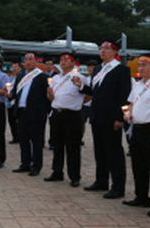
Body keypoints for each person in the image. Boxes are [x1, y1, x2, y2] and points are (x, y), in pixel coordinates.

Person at [73, 40, 131, 199]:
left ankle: (118, 186)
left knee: (114, 152)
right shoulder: (99, 68)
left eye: (106, 49)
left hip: (112, 117)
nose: (102, 51)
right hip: (97, 115)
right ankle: (101, 180)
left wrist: (120, 118)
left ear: (114, 52)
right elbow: (94, 91)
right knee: (100, 150)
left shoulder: (121, 70)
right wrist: (80, 87)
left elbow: (124, 95)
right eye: (101, 48)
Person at [122, 53, 150, 216]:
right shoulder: (138, 84)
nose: (141, 68)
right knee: (138, 165)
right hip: (137, 128)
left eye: (144, 65)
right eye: (139, 65)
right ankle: (141, 196)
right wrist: (127, 113)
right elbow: (130, 103)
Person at [45, 53, 86, 187]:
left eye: (66, 60)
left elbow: (88, 95)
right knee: (57, 145)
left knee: (72, 146)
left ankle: (74, 176)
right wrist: (50, 95)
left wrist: (77, 103)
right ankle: (57, 171)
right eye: (61, 60)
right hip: (57, 113)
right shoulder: (55, 78)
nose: (63, 62)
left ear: (73, 63)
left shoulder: (80, 78)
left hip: (72, 115)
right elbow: (51, 98)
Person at [11, 52, 50, 176]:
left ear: (36, 61)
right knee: (23, 140)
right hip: (22, 112)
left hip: (36, 113)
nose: (27, 62)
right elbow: (15, 91)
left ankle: (36, 166)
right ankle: (25, 163)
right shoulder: (21, 75)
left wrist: (46, 112)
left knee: (36, 141)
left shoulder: (42, 76)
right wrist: (10, 95)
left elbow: (47, 96)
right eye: (26, 60)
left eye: (30, 59)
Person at [80, 61, 97, 145]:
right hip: (85, 105)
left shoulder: (98, 79)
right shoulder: (85, 79)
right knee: (81, 122)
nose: (90, 69)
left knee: (95, 124)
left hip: (95, 105)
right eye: (89, 68)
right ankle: (81, 138)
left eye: (92, 68)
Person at [7, 62, 21, 144]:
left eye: (16, 67)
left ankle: (20, 136)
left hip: (17, 102)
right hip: (10, 102)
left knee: (19, 121)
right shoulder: (9, 78)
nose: (14, 69)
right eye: (13, 67)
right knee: (11, 120)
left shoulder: (22, 78)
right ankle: (14, 137)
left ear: (20, 68)